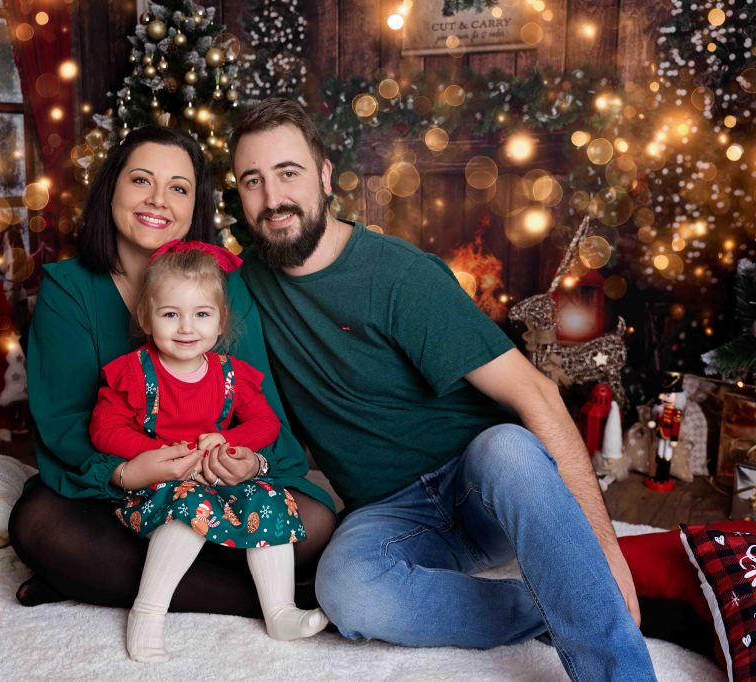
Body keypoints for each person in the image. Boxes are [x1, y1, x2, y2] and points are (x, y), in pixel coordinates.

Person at [227, 98, 656, 681]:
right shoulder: (244, 286)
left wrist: (603, 547)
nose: (272, 197)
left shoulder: (398, 275)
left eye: (288, 173)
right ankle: (562, 605)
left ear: (325, 176)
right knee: (345, 588)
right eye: (253, 180)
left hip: (480, 489)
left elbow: (537, 393)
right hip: (391, 513)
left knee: (506, 446)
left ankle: (615, 658)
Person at [7, 125, 336, 620]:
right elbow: (63, 420)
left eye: (178, 188)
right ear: (112, 189)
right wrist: (124, 471)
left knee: (314, 524)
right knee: (40, 528)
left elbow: (259, 405)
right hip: (121, 485)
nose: (158, 200)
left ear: (193, 207)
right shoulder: (68, 288)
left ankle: (96, 580)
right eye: (141, 180)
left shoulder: (226, 284)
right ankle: (266, 603)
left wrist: (248, 463)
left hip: (216, 479)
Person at [89, 241, 329, 661]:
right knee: (191, 503)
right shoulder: (135, 372)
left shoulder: (230, 375)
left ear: (220, 323)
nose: (186, 328)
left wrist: (231, 445)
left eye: (201, 314)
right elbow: (104, 429)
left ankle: (280, 611)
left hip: (219, 481)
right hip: (157, 489)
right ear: (146, 317)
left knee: (269, 497)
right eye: (170, 314)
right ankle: (147, 614)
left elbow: (265, 423)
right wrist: (158, 454)